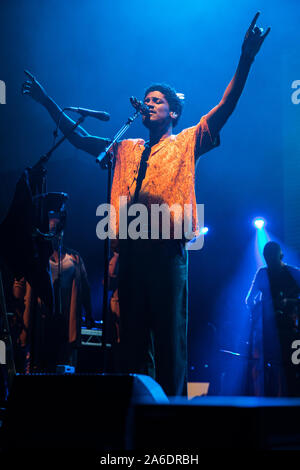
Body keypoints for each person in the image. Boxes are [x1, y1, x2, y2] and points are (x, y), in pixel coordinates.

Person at [22, 13, 270, 395]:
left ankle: (174, 420)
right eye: (147, 99)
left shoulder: (187, 141)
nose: (150, 104)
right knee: (133, 346)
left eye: (158, 101)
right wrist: (46, 101)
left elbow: (225, 108)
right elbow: (81, 138)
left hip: (168, 255)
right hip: (132, 255)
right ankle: (140, 420)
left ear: (172, 111)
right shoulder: (125, 148)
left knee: (170, 343)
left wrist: (245, 59)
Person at [12, 212, 94, 372]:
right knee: (37, 366)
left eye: (57, 230)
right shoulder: (37, 259)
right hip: (40, 323)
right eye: (50, 230)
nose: (54, 234)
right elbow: (19, 284)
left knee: (64, 366)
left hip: (64, 323)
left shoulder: (74, 259)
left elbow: (85, 289)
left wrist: (89, 314)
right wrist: (17, 312)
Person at [246, 241, 300, 396]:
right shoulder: (263, 273)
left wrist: (288, 303)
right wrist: (263, 310)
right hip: (270, 333)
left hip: (292, 331)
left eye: (272, 257)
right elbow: (249, 301)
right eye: (267, 258)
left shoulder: (293, 273)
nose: (270, 261)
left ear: (280, 255)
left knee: (292, 369)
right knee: (269, 371)